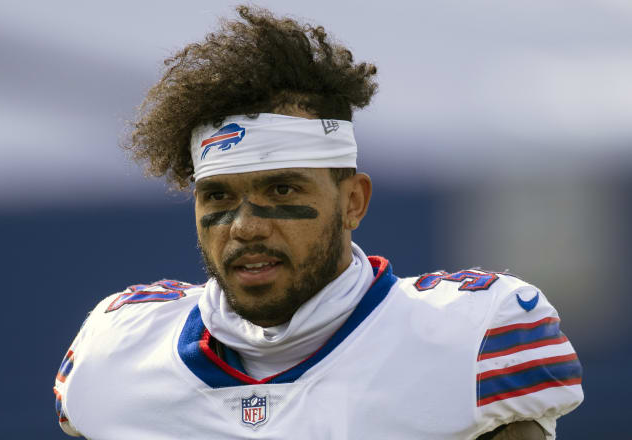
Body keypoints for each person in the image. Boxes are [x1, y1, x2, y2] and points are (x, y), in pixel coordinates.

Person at [53, 6, 583, 439]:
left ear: (353, 200)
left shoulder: (474, 339)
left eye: (280, 189)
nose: (244, 227)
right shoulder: (116, 352)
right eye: (217, 195)